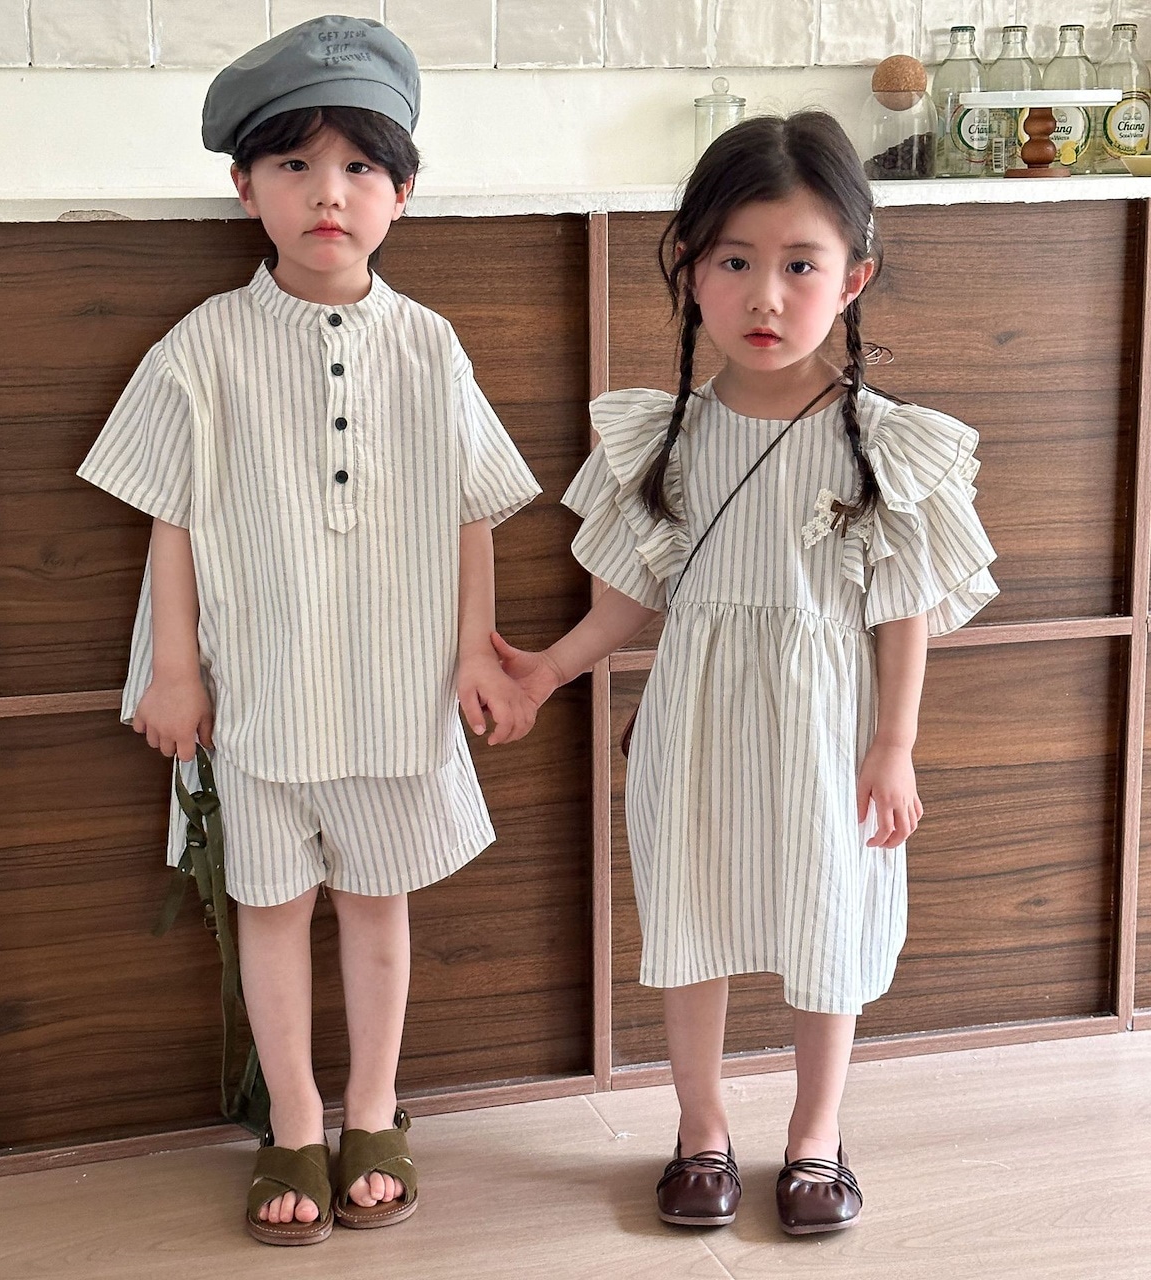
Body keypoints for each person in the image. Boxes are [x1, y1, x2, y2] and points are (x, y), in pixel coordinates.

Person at [77, 16, 540, 1247]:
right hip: (258, 691)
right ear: (245, 187)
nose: (327, 193)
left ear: (400, 193)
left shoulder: (430, 345)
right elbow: (170, 518)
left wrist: (475, 649)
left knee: (378, 903)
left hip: (394, 687)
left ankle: (373, 1110)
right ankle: (291, 1120)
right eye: (294, 164)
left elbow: (473, 510)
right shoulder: (204, 347)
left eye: (358, 166)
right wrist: (174, 669)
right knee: (272, 907)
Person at [492, 110, 997, 1235]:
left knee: (829, 919)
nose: (765, 296)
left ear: (852, 277)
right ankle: (701, 1127)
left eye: (799, 265)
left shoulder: (881, 441)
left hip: (829, 725)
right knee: (693, 914)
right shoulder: (662, 436)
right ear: (688, 270)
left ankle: (815, 1134)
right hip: (698, 719)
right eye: (734, 263)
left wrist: (895, 743)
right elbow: (634, 593)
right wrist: (549, 669)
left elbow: (902, 605)